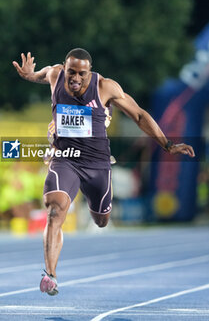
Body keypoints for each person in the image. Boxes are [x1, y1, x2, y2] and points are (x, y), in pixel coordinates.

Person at [13, 48, 195, 296]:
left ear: (90, 72)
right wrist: (29, 75)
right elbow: (42, 74)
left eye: (82, 74)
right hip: (65, 158)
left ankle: (91, 215)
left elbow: (139, 115)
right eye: (71, 72)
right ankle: (50, 274)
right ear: (64, 69)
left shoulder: (106, 87)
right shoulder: (56, 75)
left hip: (97, 163)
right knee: (55, 210)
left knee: (101, 220)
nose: (75, 78)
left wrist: (168, 145)